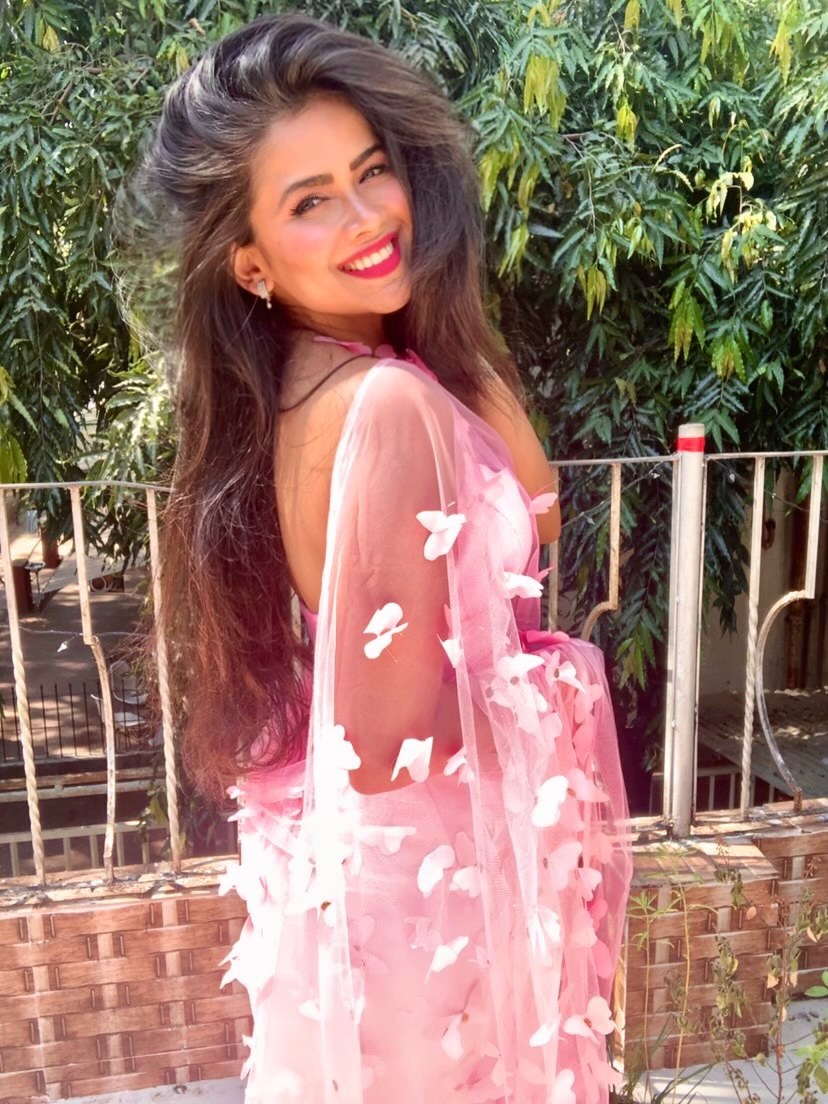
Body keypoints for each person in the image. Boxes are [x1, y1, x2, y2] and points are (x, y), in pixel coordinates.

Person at [128, 13, 631, 1103]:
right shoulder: (390, 405)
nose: (367, 218)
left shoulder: (313, 385)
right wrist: (540, 685)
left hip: (379, 903)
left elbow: (538, 508)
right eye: (311, 202)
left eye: (372, 173)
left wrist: (440, 321)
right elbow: (382, 747)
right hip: (435, 914)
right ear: (250, 262)